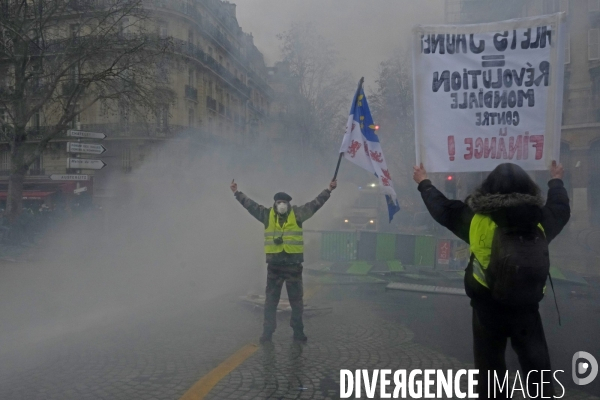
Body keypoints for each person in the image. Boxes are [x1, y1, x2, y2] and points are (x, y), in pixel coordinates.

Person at [413, 161, 570, 399]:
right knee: (535, 363)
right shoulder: (538, 217)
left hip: (487, 306)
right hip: (526, 306)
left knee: (490, 367)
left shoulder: (474, 218)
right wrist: (556, 180)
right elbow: (560, 208)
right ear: (527, 187)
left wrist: (424, 183)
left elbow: (442, 208)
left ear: (487, 187)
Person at [230, 179, 337, 343]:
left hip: (293, 266)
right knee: (270, 302)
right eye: (279, 202)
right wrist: (237, 193)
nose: (282, 205)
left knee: (296, 302)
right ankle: (267, 332)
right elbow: (250, 205)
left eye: (284, 202)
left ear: (288, 204)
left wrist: (328, 190)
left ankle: (298, 332)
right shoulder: (266, 215)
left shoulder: (298, 214)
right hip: (275, 266)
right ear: (275, 203)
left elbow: (316, 204)